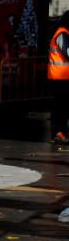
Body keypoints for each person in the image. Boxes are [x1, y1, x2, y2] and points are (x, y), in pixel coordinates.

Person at [47, 11, 69, 145]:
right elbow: (68, 52)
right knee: (60, 107)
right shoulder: (62, 33)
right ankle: (58, 133)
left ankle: (61, 132)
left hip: (62, 77)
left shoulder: (64, 33)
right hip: (59, 78)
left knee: (63, 107)